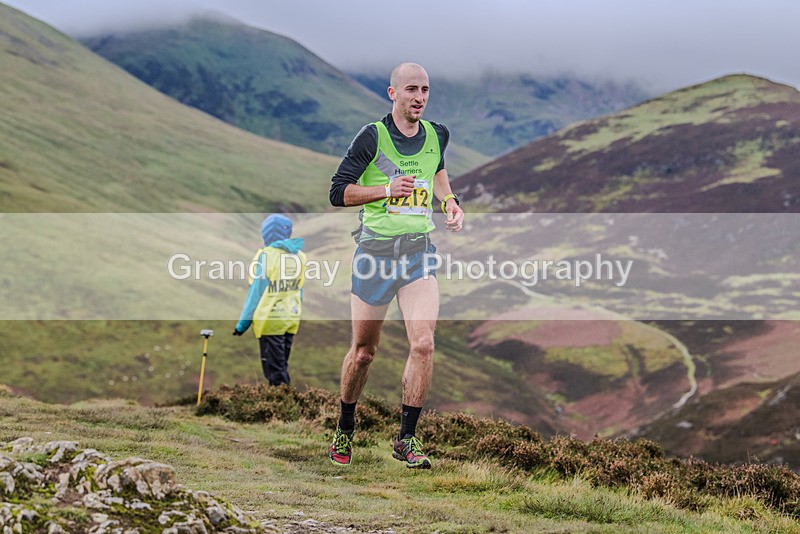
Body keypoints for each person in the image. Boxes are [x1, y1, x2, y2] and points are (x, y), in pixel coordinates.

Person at [327, 62, 464, 469]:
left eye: (424, 89)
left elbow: (436, 169)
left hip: (418, 254)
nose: (419, 97)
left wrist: (450, 202)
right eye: (410, 90)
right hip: (374, 255)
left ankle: (407, 439)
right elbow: (338, 192)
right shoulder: (372, 137)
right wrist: (386, 189)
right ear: (393, 94)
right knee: (365, 352)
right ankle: (345, 426)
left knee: (423, 343)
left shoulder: (438, 134)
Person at [233, 214, 306, 387]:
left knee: (275, 373)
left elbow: (255, 294)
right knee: (281, 366)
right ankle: (283, 405)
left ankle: (280, 408)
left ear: (266, 234)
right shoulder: (300, 256)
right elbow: (299, 290)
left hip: (270, 321)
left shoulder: (265, 256)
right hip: (291, 319)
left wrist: (242, 325)